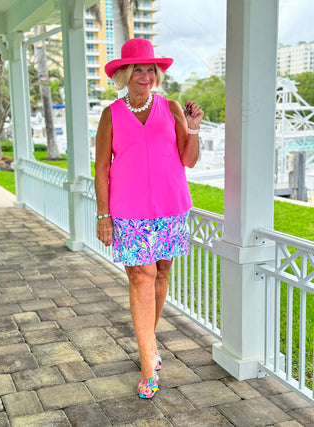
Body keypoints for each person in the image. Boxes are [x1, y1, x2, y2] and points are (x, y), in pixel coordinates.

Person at [95, 38, 203, 399]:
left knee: (162, 273)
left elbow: (188, 159)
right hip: (128, 212)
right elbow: (101, 170)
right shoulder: (111, 114)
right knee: (141, 277)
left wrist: (194, 127)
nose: (145, 75)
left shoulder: (170, 107)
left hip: (170, 208)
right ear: (124, 73)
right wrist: (103, 214)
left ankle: (149, 344)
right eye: (137, 68)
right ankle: (147, 364)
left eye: (150, 69)